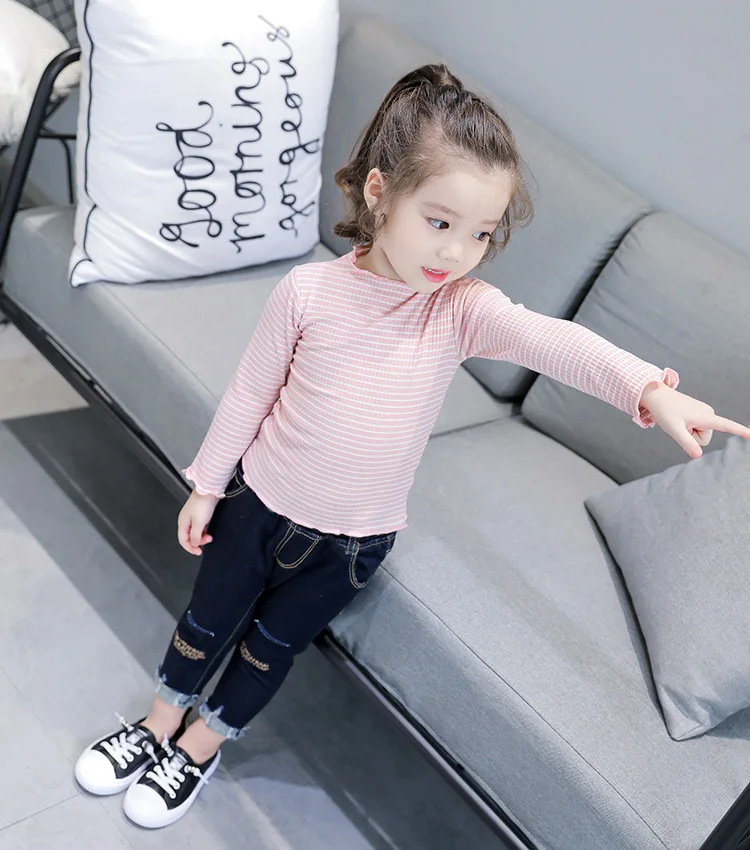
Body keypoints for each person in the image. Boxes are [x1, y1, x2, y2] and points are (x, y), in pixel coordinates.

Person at [74, 64, 750, 829]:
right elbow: (249, 395)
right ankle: (157, 723)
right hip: (256, 506)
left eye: (480, 234)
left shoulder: (460, 311)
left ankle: (198, 747)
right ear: (379, 192)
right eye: (439, 221)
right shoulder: (308, 293)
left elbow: (556, 343)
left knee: (269, 652)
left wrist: (649, 390)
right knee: (205, 624)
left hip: (351, 545)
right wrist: (206, 485)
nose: (456, 252)